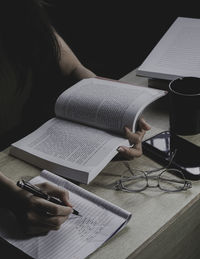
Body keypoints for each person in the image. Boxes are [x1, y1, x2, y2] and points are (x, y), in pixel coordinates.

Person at [0, 0, 151, 236]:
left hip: (28, 141)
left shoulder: (22, 10)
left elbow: (75, 71)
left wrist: (121, 112)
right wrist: (12, 194)